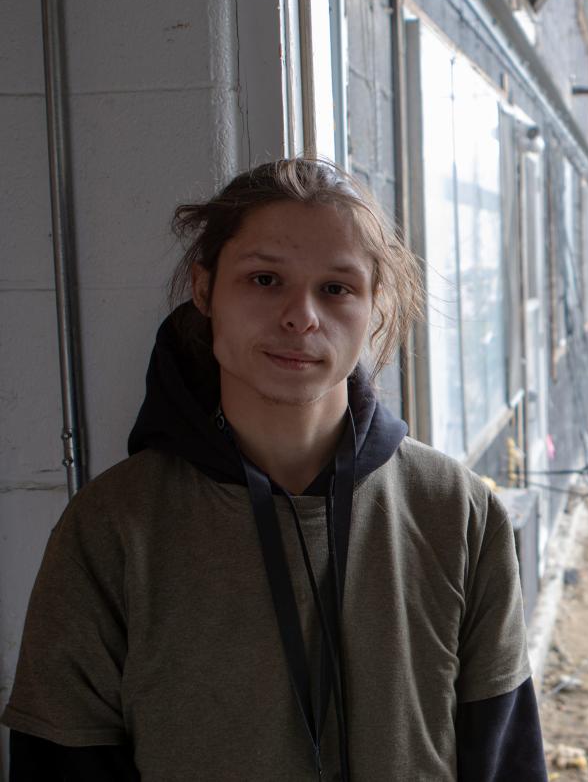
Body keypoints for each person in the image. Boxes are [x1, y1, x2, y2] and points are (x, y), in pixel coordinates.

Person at [2, 158, 548, 780]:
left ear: (376, 306)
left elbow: (506, 758)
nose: (300, 317)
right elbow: (60, 763)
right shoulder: (112, 527)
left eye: (337, 288)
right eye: (264, 279)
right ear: (205, 290)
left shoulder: (456, 510)